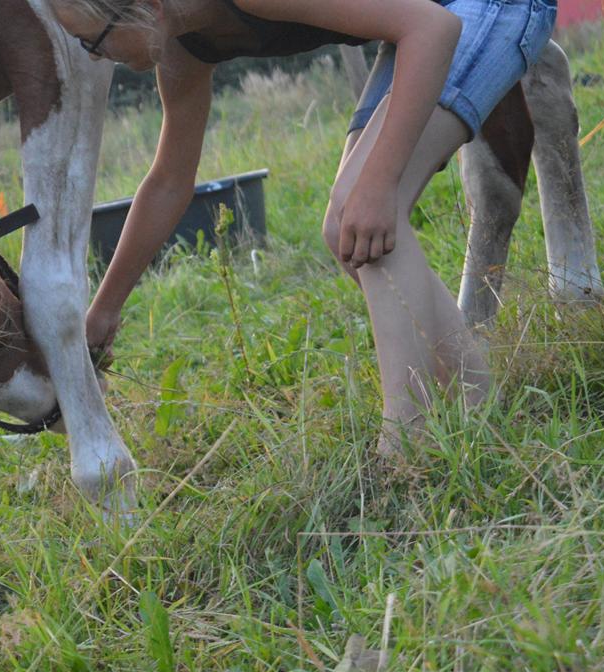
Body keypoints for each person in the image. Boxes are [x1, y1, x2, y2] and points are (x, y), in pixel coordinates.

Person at [49, 0, 557, 455]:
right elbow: (168, 181)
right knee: (345, 230)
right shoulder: (184, 48)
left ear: (147, 8)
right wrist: (103, 313)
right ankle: (482, 408)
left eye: (93, 40)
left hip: (487, 5)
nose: (95, 56)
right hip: (430, 18)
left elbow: (432, 28)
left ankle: (404, 446)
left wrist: (380, 185)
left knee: (368, 206)